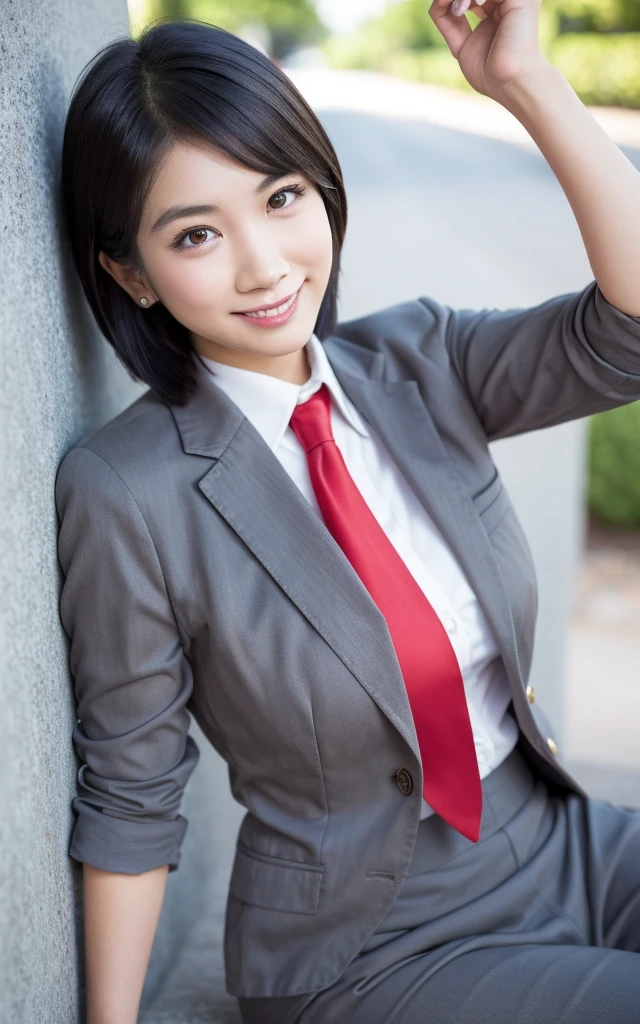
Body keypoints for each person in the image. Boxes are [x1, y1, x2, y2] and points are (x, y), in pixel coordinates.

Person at [55, 3, 640, 1022]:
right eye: (197, 233)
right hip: (365, 941)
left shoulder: (423, 361)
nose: (264, 264)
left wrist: (525, 83)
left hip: (558, 838)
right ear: (130, 274)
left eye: (281, 197)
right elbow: (130, 791)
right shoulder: (128, 488)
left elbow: (628, 331)